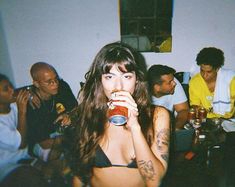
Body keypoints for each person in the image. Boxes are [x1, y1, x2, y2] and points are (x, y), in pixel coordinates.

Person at [71, 42, 170, 187]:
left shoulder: (157, 116)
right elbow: (79, 174)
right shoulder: (88, 114)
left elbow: (154, 180)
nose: (118, 86)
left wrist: (135, 127)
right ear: (100, 80)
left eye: (127, 76)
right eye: (110, 77)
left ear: (137, 80)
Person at [26, 62, 78, 182]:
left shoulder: (62, 86)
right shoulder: (31, 104)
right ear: (36, 84)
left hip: (62, 134)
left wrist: (68, 114)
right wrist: (68, 140)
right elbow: (44, 143)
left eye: (56, 79)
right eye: (49, 81)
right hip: (42, 142)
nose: (55, 84)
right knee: (61, 159)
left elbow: (76, 108)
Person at [0, 73, 47, 186]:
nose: (12, 90)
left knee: (58, 163)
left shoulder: (12, 105)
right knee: (32, 178)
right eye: (6, 89)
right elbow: (21, 143)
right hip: (7, 165)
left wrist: (30, 95)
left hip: (26, 156)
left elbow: (27, 89)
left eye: (11, 85)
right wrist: (22, 111)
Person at [189, 47, 235, 119]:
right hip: (205, 120)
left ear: (217, 69)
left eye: (209, 72)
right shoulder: (195, 81)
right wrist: (196, 110)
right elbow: (195, 104)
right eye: (202, 70)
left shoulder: (230, 79)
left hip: (227, 120)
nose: (204, 75)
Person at [147, 65, 189, 130]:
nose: (174, 83)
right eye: (170, 82)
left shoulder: (174, 84)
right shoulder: (142, 93)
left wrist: (175, 128)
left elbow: (183, 110)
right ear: (157, 87)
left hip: (170, 126)